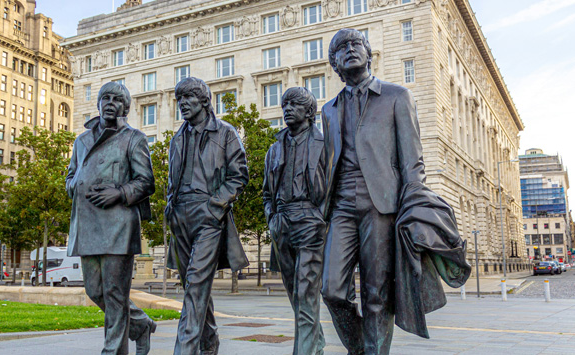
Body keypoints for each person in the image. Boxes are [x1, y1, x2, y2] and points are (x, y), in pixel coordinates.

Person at [320, 28, 426, 354]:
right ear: (335, 63)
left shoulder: (396, 97)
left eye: (356, 44)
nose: (350, 50)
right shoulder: (329, 109)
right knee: (332, 290)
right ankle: (363, 349)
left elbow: (412, 162)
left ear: (368, 53)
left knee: (376, 292)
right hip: (341, 206)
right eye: (341, 48)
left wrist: (414, 208)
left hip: (382, 204)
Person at [66, 82, 156, 355]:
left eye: (117, 100)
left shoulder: (134, 138)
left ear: (126, 108)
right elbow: (70, 176)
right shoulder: (81, 141)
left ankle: (113, 351)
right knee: (95, 292)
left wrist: (118, 193)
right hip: (88, 224)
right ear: (98, 103)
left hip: (119, 225)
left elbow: (146, 182)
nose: (110, 103)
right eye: (105, 97)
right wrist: (76, 186)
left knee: (116, 296)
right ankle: (139, 325)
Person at [165, 77, 249, 355]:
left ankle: (184, 350)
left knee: (196, 284)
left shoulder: (225, 132)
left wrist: (216, 206)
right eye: (179, 100)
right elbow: (171, 181)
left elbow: (239, 175)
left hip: (209, 214)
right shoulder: (177, 138)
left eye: (188, 98)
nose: (183, 104)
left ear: (204, 101)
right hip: (180, 217)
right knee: (193, 285)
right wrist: (170, 209)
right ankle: (209, 344)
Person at [263, 87, 326, 355]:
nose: (287, 109)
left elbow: (334, 187)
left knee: (305, 292)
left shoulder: (325, 144)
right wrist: (271, 218)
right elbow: (267, 191)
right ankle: (316, 343)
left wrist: (320, 218)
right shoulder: (274, 149)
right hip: (282, 223)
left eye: (295, 104)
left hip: (310, 221)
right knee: (295, 294)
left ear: (310, 112)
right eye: (285, 104)